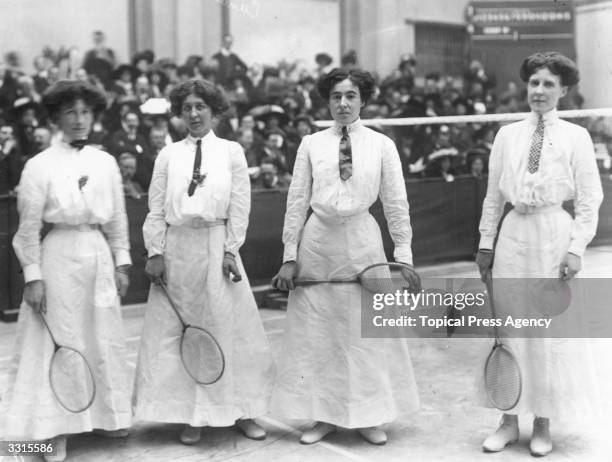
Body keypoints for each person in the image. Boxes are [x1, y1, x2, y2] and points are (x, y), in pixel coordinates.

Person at [271, 68, 421, 445]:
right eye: (336, 96)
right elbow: (296, 203)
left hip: (363, 241)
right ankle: (324, 415)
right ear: (327, 101)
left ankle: (369, 415)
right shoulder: (310, 144)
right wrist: (290, 254)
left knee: (365, 332)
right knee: (320, 334)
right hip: (318, 244)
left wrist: (402, 257)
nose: (343, 103)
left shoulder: (382, 145)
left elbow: (396, 204)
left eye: (350, 96)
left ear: (362, 100)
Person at [133, 79, 275, 444]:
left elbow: (240, 206)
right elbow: (156, 208)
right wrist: (155, 252)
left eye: (201, 107)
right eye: (187, 108)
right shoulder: (167, 155)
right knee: (188, 333)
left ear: (214, 111)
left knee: (230, 330)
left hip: (217, 246)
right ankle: (194, 415)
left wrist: (230, 250)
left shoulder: (232, 152)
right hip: (179, 250)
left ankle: (242, 410)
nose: (194, 114)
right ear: (179, 114)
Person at [476, 52, 603, 457]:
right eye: (534, 83)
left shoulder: (576, 136)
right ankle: (509, 420)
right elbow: (494, 196)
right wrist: (485, 243)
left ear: (564, 90)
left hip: (553, 235)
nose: (539, 91)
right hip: (514, 234)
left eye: (549, 84)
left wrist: (576, 248)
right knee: (509, 327)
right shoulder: (507, 135)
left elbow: (589, 198)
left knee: (548, 331)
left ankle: (543, 422)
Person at [0, 80, 132, 462]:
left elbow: (118, 219)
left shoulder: (105, 162)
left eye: (86, 112)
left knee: (101, 335)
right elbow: (26, 233)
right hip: (57, 256)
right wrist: (33, 277)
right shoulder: (38, 166)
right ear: (56, 117)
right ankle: (51, 430)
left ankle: (106, 416)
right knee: (60, 339)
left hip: (97, 256)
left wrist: (122, 261)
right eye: (71, 112)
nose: (79, 120)